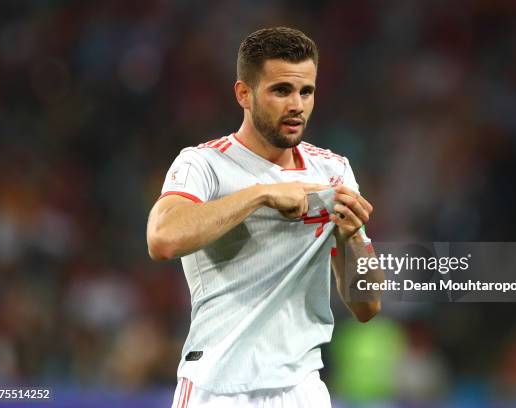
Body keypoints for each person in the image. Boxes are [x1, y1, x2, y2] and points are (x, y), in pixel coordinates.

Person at [147, 26, 382, 408]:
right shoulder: (205, 164)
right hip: (216, 388)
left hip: (303, 390)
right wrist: (260, 194)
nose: (297, 105)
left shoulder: (333, 171)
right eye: (281, 91)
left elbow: (367, 306)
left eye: (306, 92)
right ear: (244, 93)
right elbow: (162, 238)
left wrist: (354, 236)